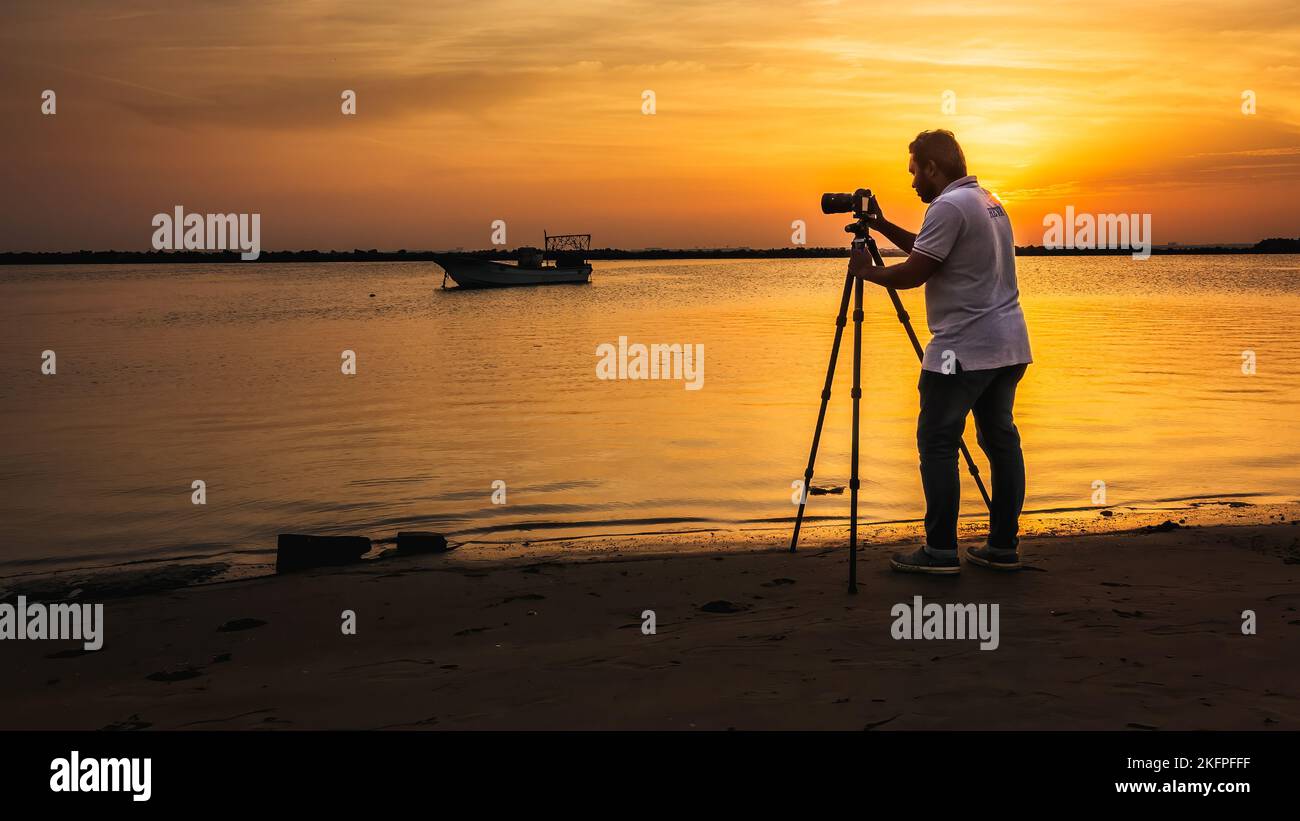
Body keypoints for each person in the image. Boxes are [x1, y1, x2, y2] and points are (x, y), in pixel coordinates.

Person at [848, 129, 1032, 574]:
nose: (912, 183)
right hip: (1007, 346)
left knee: (937, 443)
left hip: (962, 351)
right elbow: (934, 251)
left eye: (914, 172)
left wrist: (866, 272)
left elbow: (916, 272)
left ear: (933, 167)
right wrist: (883, 226)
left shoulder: (947, 206)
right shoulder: (988, 201)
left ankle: (940, 550)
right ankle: (1003, 546)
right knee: (1001, 442)